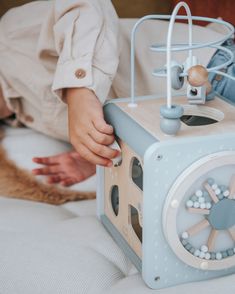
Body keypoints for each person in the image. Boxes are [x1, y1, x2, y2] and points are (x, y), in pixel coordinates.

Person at [0, 1, 234, 186]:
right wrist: (97, 156)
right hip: (192, 135)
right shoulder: (22, 116)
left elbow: (85, 6)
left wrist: (79, 91)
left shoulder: (8, 37)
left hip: (211, 74)